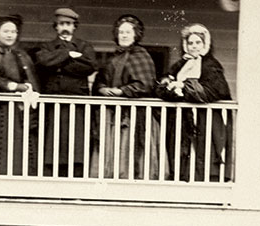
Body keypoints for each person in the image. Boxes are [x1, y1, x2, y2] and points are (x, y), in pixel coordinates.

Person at [155, 23, 232, 182]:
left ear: (205, 44)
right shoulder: (180, 65)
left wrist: (183, 86)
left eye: (198, 42)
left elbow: (212, 91)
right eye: (190, 43)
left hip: (205, 119)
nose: (194, 46)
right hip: (182, 119)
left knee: (204, 153)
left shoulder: (211, 65)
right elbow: (162, 87)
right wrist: (170, 87)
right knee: (179, 152)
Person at [91, 14, 159, 180]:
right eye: (121, 32)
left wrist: (122, 91)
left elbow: (146, 84)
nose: (124, 35)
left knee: (129, 149)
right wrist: (102, 89)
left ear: (135, 35)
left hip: (133, 115)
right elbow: (100, 81)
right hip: (112, 114)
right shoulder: (114, 57)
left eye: (128, 32)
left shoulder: (141, 55)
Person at [33, 7, 97, 177]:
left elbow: (88, 66)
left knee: (76, 143)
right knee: (52, 143)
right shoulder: (46, 46)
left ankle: (76, 177)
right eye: (61, 24)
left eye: (68, 23)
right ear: (56, 26)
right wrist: (69, 53)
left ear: (75, 26)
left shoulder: (85, 46)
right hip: (53, 102)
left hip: (77, 102)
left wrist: (58, 62)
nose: (65, 27)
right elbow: (43, 61)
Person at [0, 14, 40, 176]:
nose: (10, 35)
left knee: (18, 143)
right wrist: (13, 86)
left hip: (17, 109)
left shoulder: (19, 54)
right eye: (6, 31)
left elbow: (30, 78)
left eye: (14, 32)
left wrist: (29, 89)